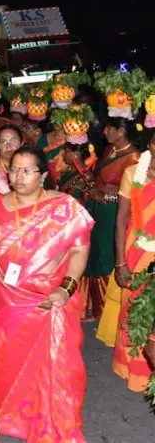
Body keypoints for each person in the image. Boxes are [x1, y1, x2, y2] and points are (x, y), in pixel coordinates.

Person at [0, 146, 93, 441]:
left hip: (50, 299)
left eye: (27, 170)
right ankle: (12, 415)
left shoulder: (65, 207)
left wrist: (65, 288)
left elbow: (80, 250)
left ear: (43, 175)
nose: (19, 176)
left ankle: (49, 417)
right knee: (9, 356)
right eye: (14, 169)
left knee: (54, 362)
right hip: (7, 299)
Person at [87, 118, 140, 338]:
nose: (105, 131)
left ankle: (111, 313)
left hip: (114, 214)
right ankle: (97, 308)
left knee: (109, 258)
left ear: (121, 131)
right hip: (98, 210)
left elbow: (131, 197)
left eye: (110, 128)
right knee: (97, 256)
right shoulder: (109, 150)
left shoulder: (134, 158)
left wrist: (105, 195)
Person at [111, 130, 155, 392]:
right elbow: (121, 219)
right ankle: (134, 368)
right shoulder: (132, 173)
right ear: (149, 144)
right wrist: (119, 262)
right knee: (133, 309)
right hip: (136, 251)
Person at [0, 124, 23, 195]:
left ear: (22, 143)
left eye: (13, 141)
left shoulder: (32, 166)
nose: (9, 146)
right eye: (3, 142)